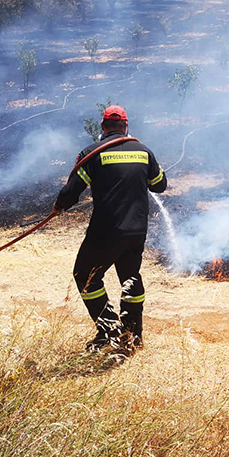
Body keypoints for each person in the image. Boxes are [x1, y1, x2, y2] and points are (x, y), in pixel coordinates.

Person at [53, 105, 167, 351]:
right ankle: (133, 335)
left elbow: (71, 192)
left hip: (105, 232)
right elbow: (160, 185)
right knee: (131, 277)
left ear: (103, 128)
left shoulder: (92, 153)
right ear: (126, 127)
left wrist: (58, 207)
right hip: (136, 231)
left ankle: (108, 332)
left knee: (85, 276)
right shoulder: (144, 152)